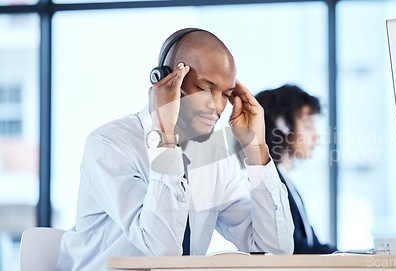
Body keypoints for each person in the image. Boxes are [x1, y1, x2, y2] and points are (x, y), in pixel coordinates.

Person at [56, 28, 294, 270]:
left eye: (227, 94)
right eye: (206, 88)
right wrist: (164, 138)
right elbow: (161, 250)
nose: (218, 106)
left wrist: (256, 150)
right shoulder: (109, 145)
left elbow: (273, 251)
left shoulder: (214, 157)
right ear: (167, 79)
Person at [255, 84, 336, 254]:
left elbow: (313, 245)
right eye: (308, 125)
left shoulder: (287, 182)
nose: (316, 135)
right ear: (282, 127)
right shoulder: (270, 186)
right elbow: (297, 249)